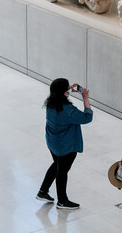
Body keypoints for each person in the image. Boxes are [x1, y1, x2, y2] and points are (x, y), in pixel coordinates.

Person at [36, 78, 93, 209]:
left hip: (52, 143)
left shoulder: (51, 103)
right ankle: (62, 201)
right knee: (62, 171)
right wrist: (85, 98)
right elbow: (87, 118)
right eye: (67, 88)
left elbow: (61, 96)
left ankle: (43, 191)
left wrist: (69, 91)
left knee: (56, 164)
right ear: (63, 93)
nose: (69, 88)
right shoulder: (69, 111)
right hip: (66, 146)